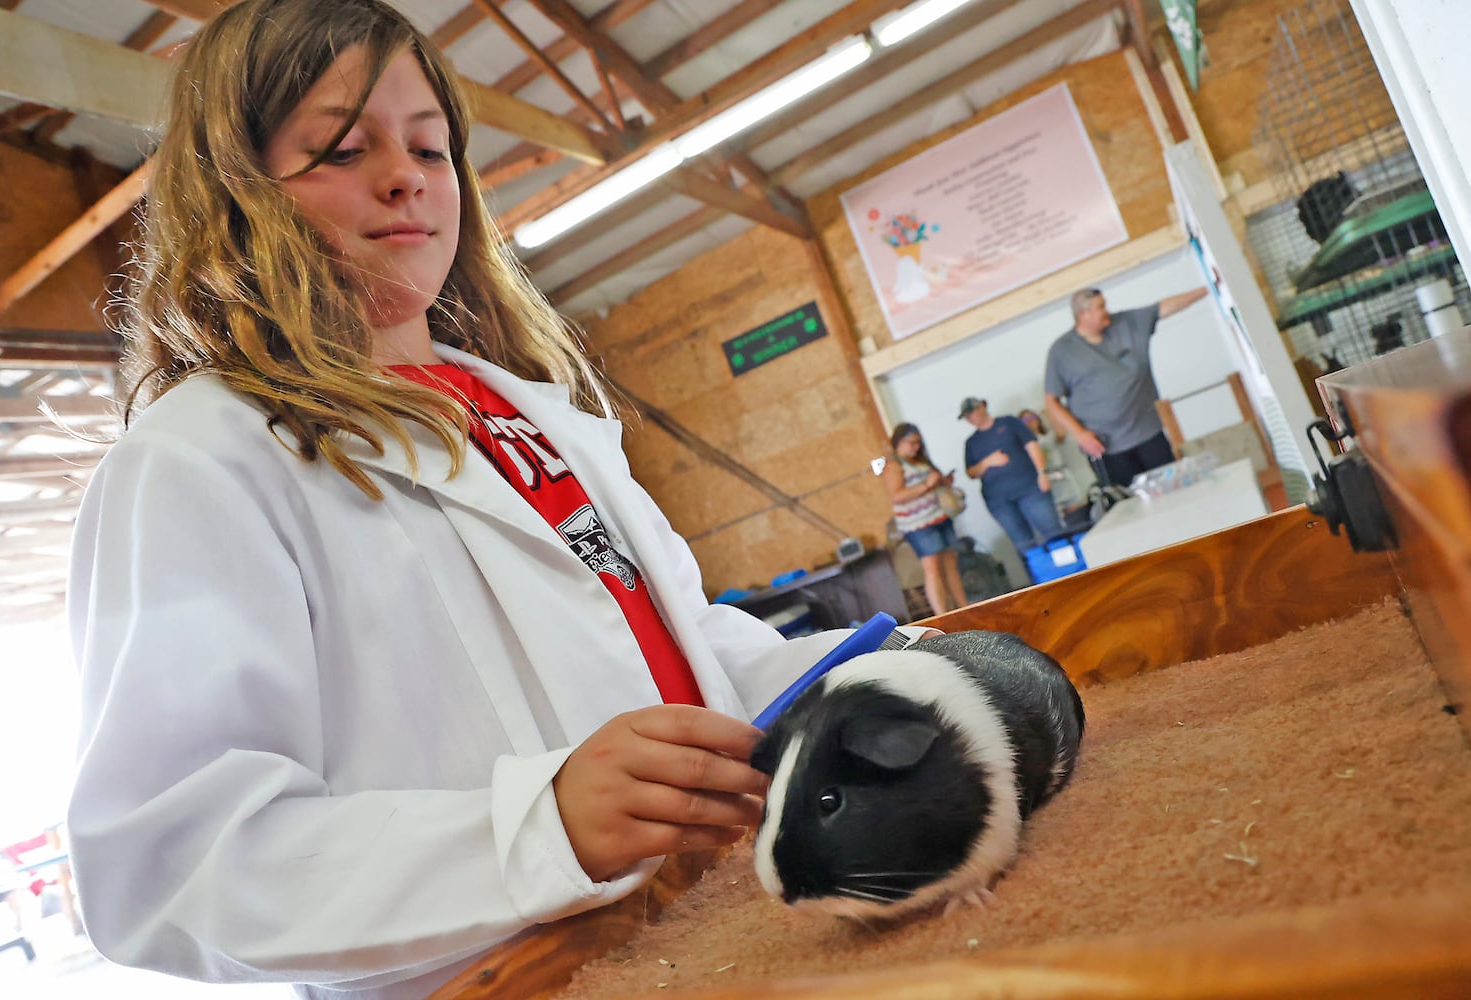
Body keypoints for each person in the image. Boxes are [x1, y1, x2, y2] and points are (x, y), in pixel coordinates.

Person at [62, 3, 903, 997]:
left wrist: (871, 673)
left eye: (430, 145)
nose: (407, 174)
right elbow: (172, 860)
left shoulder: (527, 411)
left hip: (719, 925)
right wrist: (535, 826)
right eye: (340, 148)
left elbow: (676, 652)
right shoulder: (200, 462)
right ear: (238, 193)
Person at [1044, 286, 1208, 486]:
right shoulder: (1062, 351)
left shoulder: (1126, 323)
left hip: (1148, 433)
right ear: (1084, 314)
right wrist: (1079, 434)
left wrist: (1205, 289)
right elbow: (1051, 400)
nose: (1107, 311)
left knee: (1174, 488)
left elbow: (1163, 308)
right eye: (1101, 307)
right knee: (1131, 504)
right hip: (1106, 446)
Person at [881, 423, 968, 616]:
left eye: (918, 443)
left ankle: (963, 608)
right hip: (917, 524)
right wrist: (926, 486)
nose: (915, 447)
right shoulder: (893, 465)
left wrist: (943, 482)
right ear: (898, 442)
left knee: (950, 562)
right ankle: (943, 614)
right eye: (911, 443)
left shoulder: (920, 461)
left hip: (939, 516)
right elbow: (897, 496)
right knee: (932, 567)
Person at [959, 398, 1061, 553]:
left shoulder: (1008, 422)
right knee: (1024, 545)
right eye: (967, 417)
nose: (971, 418)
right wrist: (987, 462)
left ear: (982, 407)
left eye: (971, 413)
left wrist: (1042, 472)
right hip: (999, 501)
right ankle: (1042, 574)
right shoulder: (971, 443)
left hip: (1030, 488)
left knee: (1053, 532)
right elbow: (971, 472)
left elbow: (1032, 445)